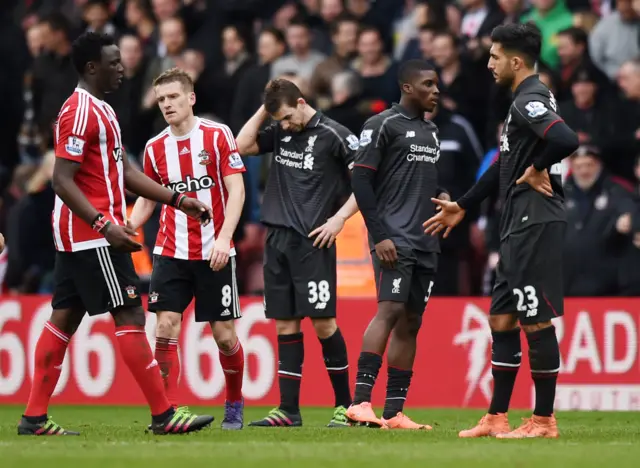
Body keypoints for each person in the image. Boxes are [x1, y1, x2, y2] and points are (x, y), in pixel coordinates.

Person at [18, 32, 215, 436]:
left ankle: (33, 417)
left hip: (84, 233)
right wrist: (104, 225)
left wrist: (178, 200)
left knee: (64, 319)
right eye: (114, 61)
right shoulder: (79, 112)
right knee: (128, 313)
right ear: (92, 67)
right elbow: (61, 180)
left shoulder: (102, 110)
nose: (122, 68)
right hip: (92, 236)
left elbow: (124, 172)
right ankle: (163, 414)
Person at [424, 23, 579, 439]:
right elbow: (503, 166)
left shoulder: (529, 99)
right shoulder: (527, 100)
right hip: (516, 222)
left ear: (515, 60)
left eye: (494, 57)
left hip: (535, 220)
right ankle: (496, 416)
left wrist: (538, 167)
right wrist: (463, 204)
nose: (489, 64)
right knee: (502, 318)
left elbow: (566, 138)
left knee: (534, 320)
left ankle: (544, 420)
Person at [236, 79, 360, 427]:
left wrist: (338, 219)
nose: (285, 124)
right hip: (276, 240)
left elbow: (366, 183)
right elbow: (241, 144)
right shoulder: (280, 129)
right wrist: (268, 106)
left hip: (313, 241)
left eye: (288, 116)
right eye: (280, 119)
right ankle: (288, 410)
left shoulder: (336, 135)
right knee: (285, 324)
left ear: (302, 102)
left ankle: (345, 407)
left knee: (323, 324)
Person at [129, 68, 247, 430]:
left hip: (214, 252)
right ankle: (168, 411)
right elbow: (150, 200)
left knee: (224, 335)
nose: (167, 104)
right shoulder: (154, 147)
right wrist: (128, 229)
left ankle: (234, 401)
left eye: (174, 97)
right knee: (165, 326)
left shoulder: (217, 135)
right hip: (170, 249)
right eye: (162, 99)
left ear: (191, 98)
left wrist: (225, 239)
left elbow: (236, 190)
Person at [345, 59, 447, 430]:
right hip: (395, 239)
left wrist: (445, 197)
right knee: (388, 311)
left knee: (412, 322)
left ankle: (393, 412)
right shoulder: (382, 125)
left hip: (425, 241)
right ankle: (358, 403)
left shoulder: (431, 131)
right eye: (429, 84)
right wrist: (380, 234)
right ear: (407, 87)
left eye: (437, 84)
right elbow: (360, 182)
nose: (436, 90)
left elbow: (428, 183)